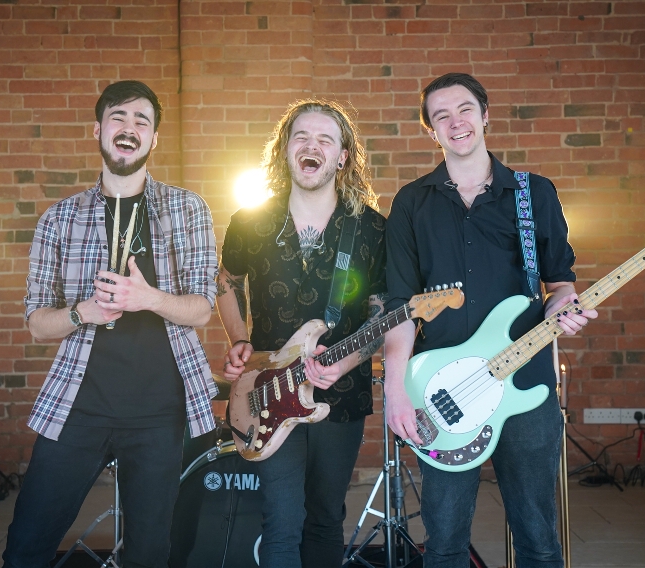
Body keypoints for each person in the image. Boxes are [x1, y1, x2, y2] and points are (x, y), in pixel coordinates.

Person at [383, 72, 598, 567]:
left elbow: (560, 284)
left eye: (464, 109)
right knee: (444, 544)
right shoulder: (411, 203)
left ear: (485, 115)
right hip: (442, 392)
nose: (455, 122)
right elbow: (400, 308)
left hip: (526, 386)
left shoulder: (533, 193)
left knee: (538, 540)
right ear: (431, 130)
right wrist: (396, 390)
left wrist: (564, 307)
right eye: (441, 115)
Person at [3, 80, 219, 568]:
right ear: (98, 130)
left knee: (150, 553)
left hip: (161, 413)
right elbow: (37, 324)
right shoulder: (59, 219)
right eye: (118, 117)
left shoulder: (188, 209)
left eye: (142, 120)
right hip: (78, 407)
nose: (129, 127)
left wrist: (148, 298)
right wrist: (85, 312)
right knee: (26, 546)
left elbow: (202, 309)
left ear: (154, 138)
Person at [216, 99, 387, 568]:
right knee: (282, 520)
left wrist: (345, 362)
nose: (312, 146)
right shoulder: (251, 220)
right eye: (302, 137)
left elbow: (381, 316)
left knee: (326, 519)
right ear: (285, 149)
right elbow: (226, 280)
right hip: (268, 390)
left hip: (341, 394)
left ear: (342, 157)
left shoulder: (372, 228)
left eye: (325, 139)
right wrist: (239, 339)